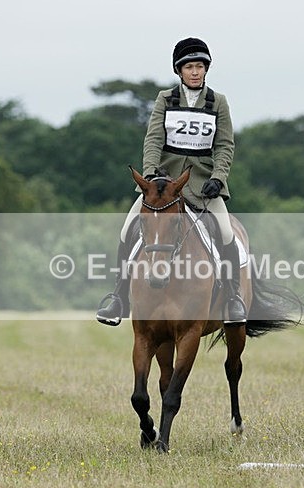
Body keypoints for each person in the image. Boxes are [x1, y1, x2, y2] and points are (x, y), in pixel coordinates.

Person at [96, 37, 246, 326]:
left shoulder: (218, 102)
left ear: (206, 69)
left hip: (203, 186)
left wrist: (218, 177)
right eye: (189, 67)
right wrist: (151, 175)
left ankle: (232, 298)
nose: (195, 72)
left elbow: (225, 145)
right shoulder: (165, 99)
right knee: (127, 231)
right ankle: (118, 297)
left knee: (227, 235)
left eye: (200, 67)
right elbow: (153, 139)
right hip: (163, 186)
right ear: (179, 71)